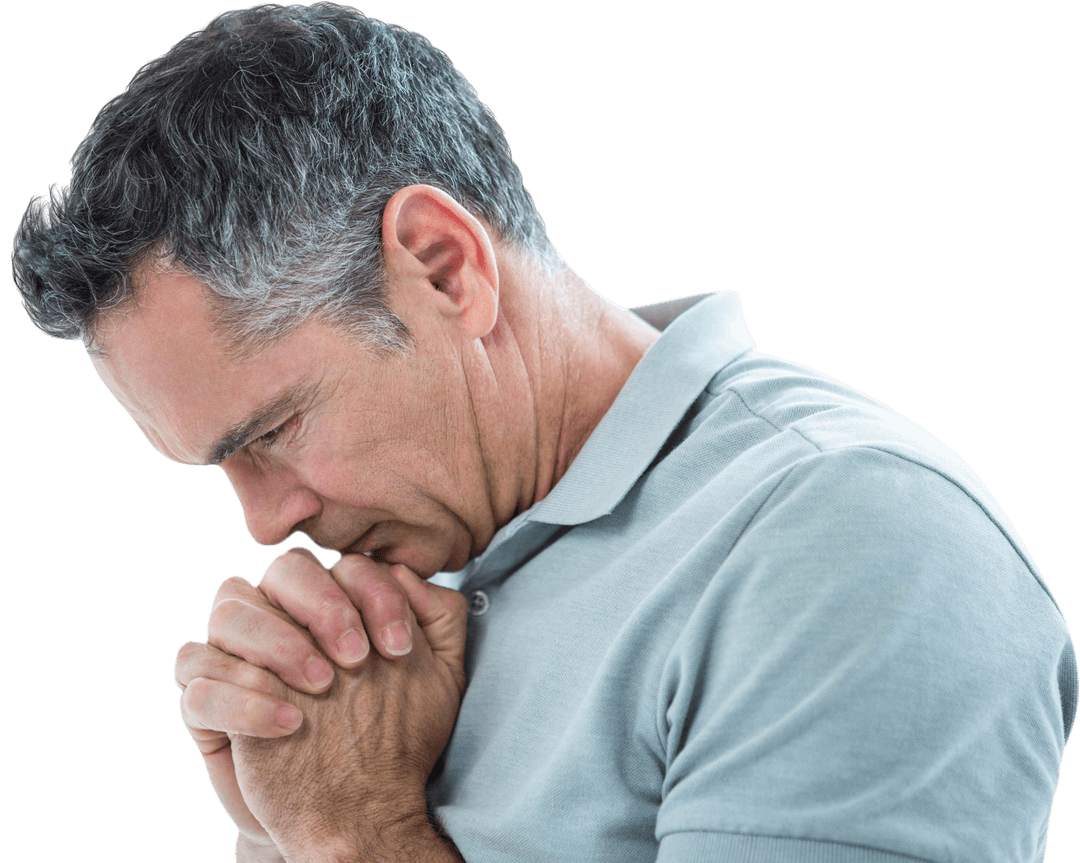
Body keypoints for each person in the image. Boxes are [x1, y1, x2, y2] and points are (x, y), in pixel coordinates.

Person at [11, 3, 1076, 862]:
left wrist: (351, 831)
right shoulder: (403, 600)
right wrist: (275, 817)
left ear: (444, 266)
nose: (263, 522)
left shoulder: (849, 540)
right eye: (218, 465)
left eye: (275, 428)